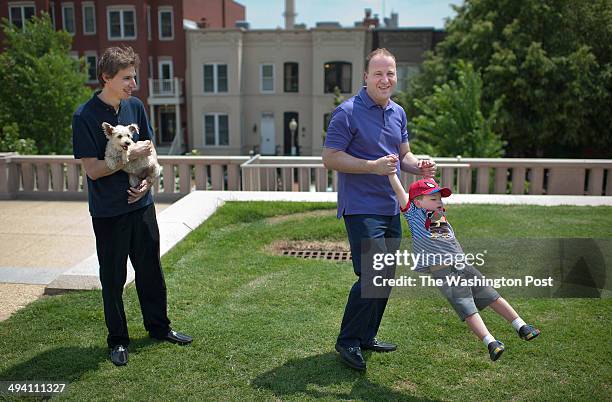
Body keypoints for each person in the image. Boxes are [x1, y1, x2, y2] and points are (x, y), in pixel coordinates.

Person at [72, 46, 192, 367]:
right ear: (106, 78)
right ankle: (118, 341)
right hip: (109, 212)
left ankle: (160, 328)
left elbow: (149, 150)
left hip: (142, 206)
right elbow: (94, 170)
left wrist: (147, 184)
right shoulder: (85, 117)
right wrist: (131, 154)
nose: (133, 84)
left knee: (150, 270)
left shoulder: (136, 107)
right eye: (126, 78)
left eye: (134, 76)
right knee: (113, 278)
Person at [322, 48, 436, 371]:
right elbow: (330, 157)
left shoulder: (398, 112)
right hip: (360, 207)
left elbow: (404, 157)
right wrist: (371, 167)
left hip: (391, 206)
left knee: (385, 276)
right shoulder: (346, 112)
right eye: (378, 73)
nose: (385, 80)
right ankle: (347, 341)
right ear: (366, 77)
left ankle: (367, 335)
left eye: (390, 73)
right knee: (371, 273)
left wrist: (421, 165)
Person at [388, 175, 540, 361]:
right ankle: (491, 342)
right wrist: (391, 174)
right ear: (418, 203)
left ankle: (522, 326)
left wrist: (427, 174)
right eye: (433, 198)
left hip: (462, 265)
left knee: (491, 295)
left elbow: (446, 239)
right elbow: (400, 192)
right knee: (467, 308)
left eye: (440, 198)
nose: (439, 201)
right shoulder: (413, 214)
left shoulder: (438, 216)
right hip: (443, 272)